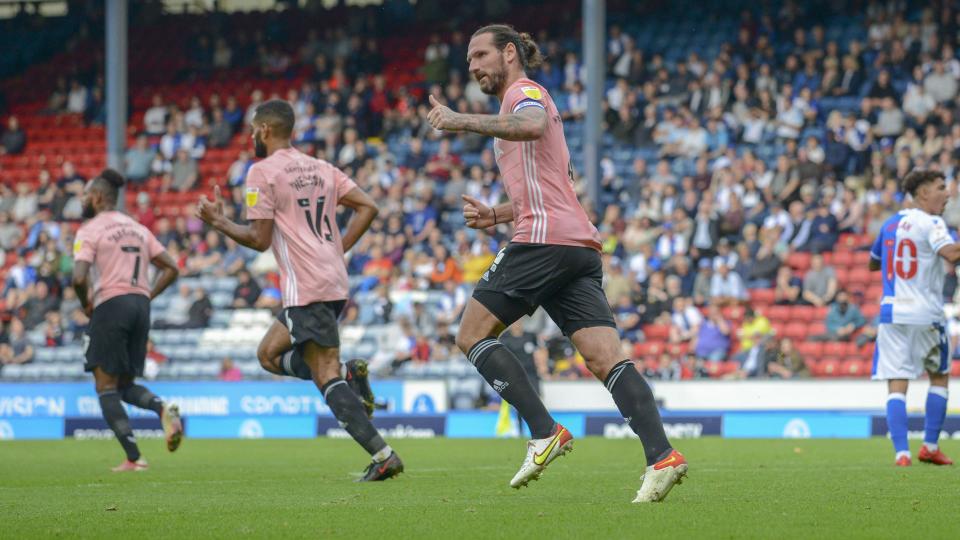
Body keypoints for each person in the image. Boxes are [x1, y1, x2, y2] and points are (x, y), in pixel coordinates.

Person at [427, 24, 685, 501]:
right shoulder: (531, 100)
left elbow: (531, 126)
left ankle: (544, 431)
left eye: (481, 55)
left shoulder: (523, 94)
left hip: (543, 242)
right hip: (575, 247)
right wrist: (497, 213)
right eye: (469, 62)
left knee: (471, 334)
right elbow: (555, 186)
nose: (474, 67)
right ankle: (662, 455)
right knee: (606, 359)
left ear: (509, 53)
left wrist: (459, 119)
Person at [195, 99, 402, 481]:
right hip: (332, 279)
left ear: (265, 130)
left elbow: (259, 240)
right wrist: (337, 250)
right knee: (268, 354)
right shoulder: (321, 167)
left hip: (306, 285)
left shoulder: (262, 172)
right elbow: (368, 206)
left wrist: (219, 222)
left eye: (253, 130)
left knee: (325, 375)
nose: (251, 136)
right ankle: (348, 378)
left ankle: (383, 454)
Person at [72, 169, 182, 471]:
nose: (83, 200)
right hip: (140, 307)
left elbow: (79, 277)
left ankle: (134, 458)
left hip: (111, 304)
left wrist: (87, 305)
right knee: (124, 384)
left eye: (85, 196)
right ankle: (162, 409)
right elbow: (171, 267)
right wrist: (146, 295)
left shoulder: (91, 229)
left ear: (96, 197)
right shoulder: (137, 228)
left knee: (105, 386)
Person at [869, 169, 957, 467]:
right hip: (925, 313)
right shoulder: (932, 222)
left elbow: (873, 262)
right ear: (922, 193)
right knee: (939, 376)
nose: (947, 193)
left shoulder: (890, 224)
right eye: (941, 187)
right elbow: (952, 254)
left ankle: (902, 454)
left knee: (897, 382)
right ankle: (930, 446)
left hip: (891, 312)